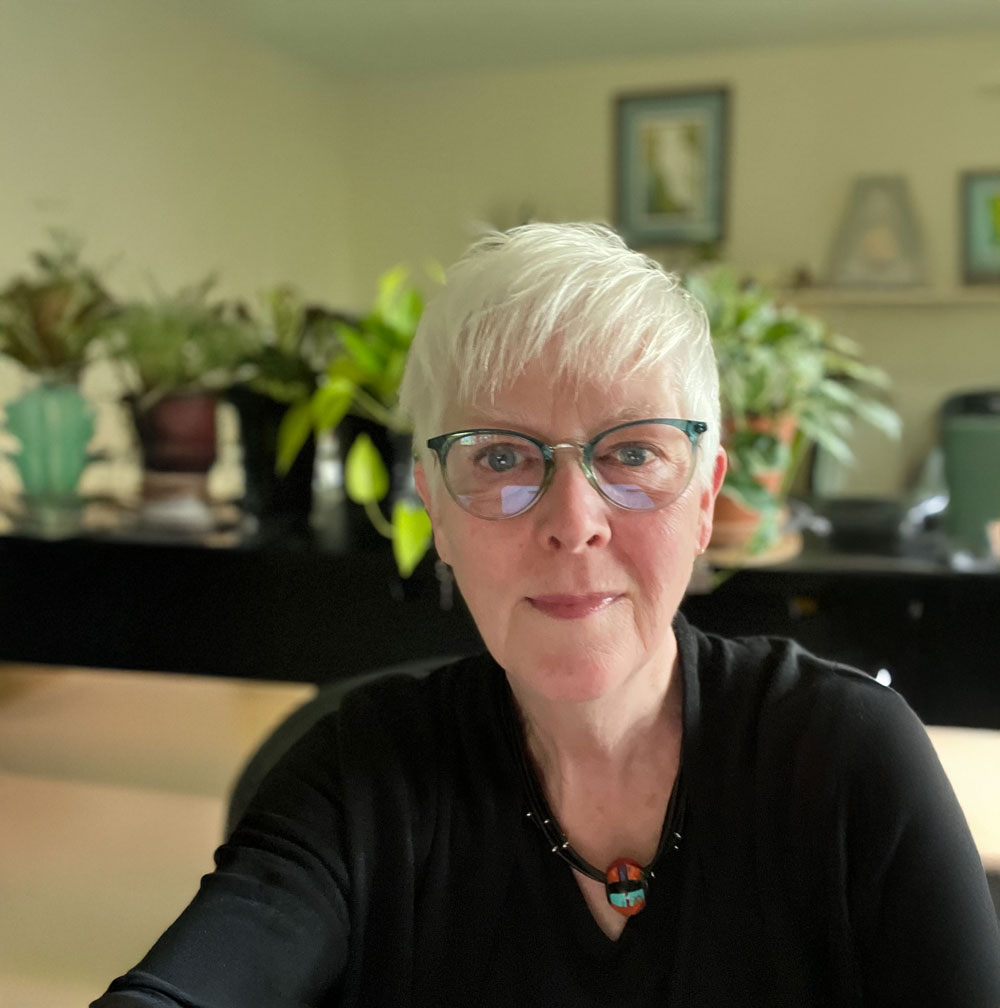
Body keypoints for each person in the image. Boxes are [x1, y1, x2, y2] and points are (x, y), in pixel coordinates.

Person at [93, 223, 1000, 1006]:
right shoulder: (359, 777)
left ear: (706, 500)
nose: (573, 523)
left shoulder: (848, 760)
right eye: (498, 459)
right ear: (434, 511)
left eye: (634, 451)